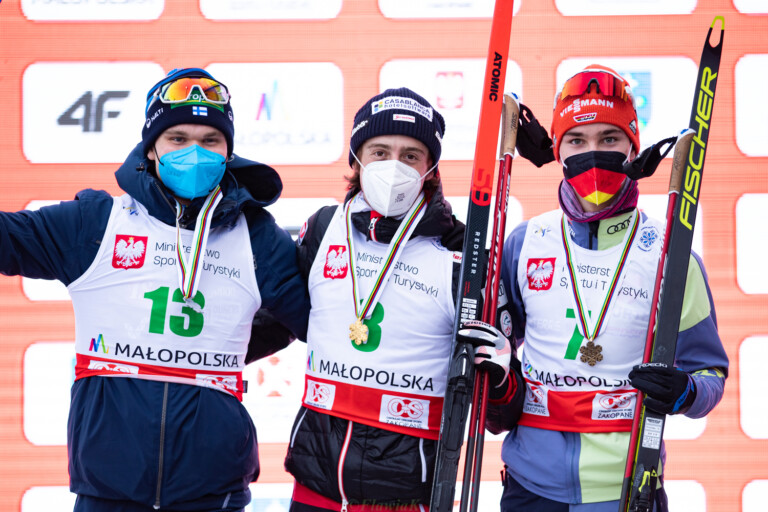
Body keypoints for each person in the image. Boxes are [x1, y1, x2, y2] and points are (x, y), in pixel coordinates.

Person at [0, 67, 309, 511]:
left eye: (210, 140)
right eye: (178, 139)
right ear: (152, 148)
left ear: (228, 152)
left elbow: (322, 319)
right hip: (108, 486)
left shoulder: (256, 237)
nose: (195, 153)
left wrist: (229, 345)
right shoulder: (97, 224)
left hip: (212, 489)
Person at [487, 64, 729, 511]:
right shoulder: (525, 242)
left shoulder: (670, 255)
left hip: (628, 489)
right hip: (529, 490)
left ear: (634, 148)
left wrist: (685, 392)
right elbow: (497, 345)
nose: (592, 155)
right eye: (576, 141)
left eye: (609, 140)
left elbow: (710, 373)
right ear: (557, 151)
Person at [282, 87, 525, 511]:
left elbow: (502, 414)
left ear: (430, 168)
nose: (394, 166)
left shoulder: (463, 254)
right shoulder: (323, 229)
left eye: (411, 155)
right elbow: (276, 320)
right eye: (380, 151)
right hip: (313, 490)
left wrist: (501, 377)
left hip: (403, 499)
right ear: (357, 160)